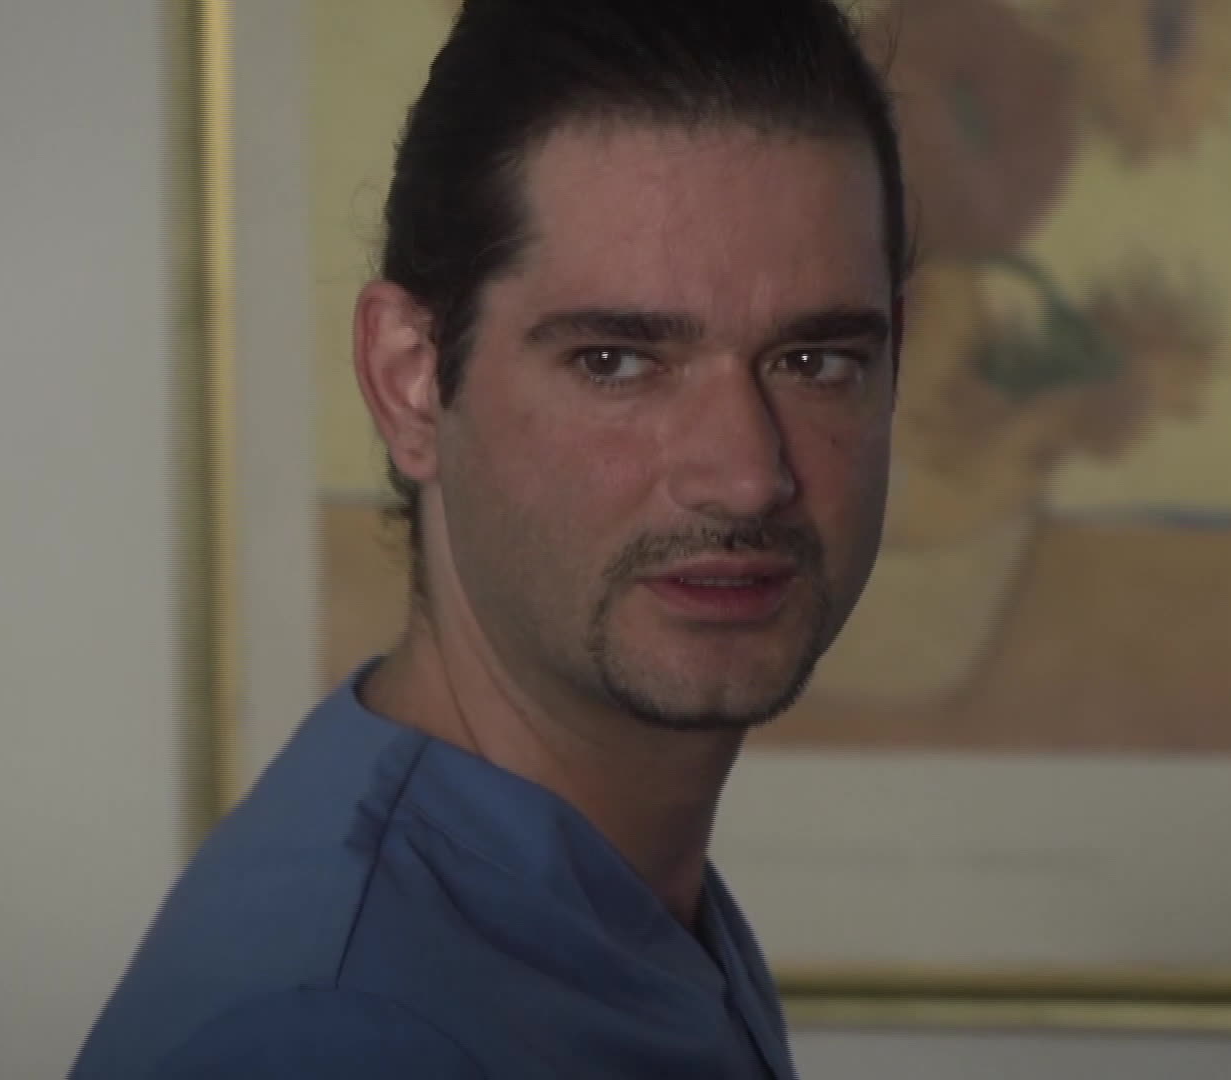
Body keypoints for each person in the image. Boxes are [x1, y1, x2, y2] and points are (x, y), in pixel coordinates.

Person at [73, 0, 909, 1074]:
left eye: (815, 362)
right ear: (411, 383)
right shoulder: (330, 1035)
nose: (747, 475)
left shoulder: (613, 905)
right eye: (616, 362)